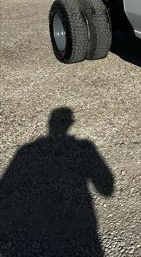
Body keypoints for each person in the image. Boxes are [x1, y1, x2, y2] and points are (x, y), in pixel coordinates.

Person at [0, 107, 114, 256]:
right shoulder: (84, 149)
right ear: (70, 123)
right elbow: (106, 188)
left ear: (49, 123)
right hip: (79, 229)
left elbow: (5, 189)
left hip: (35, 232)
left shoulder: (26, 152)